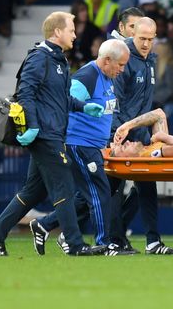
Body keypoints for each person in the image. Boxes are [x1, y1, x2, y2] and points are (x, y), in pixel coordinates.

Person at [0, 11, 106, 257]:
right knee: (65, 187)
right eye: (71, 30)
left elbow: (59, 98)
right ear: (57, 32)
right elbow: (26, 93)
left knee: (33, 192)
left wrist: (83, 107)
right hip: (45, 135)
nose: (74, 34)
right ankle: (75, 244)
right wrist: (34, 127)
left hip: (52, 132)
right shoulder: (39, 58)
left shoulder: (58, 60)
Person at [29, 39, 130, 255]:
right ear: (106, 60)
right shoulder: (87, 76)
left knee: (86, 196)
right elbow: (64, 104)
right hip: (80, 144)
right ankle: (105, 244)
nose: (122, 70)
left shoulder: (107, 77)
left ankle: (45, 224)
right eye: (120, 65)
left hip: (93, 144)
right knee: (101, 192)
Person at [109, 17, 173, 255]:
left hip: (140, 137)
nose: (146, 44)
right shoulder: (124, 59)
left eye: (151, 39)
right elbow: (115, 102)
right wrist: (118, 134)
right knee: (109, 191)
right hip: (121, 137)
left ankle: (152, 241)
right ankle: (53, 225)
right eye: (142, 39)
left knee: (147, 187)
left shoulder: (150, 59)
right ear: (132, 35)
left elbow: (146, 103)